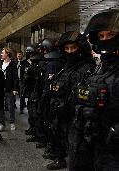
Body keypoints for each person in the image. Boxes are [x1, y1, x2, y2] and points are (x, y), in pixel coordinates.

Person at [72, 9, 119, 171]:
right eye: (101, 36)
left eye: (111, 35)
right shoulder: (100, 68)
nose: (105, 40)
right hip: (94, 143)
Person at [47, 31, 96, 170]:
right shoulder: (66, 67)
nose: (70, 51)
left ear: (80, 48)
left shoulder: (87, 68)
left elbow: (82, 95)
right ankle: (61, 159)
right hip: (63, 114)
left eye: (73, 48)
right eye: (67, 48)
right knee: (64, 142)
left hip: (76, 117)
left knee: (76, 153)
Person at [0, 47, 19, 131]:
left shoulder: (13, 64)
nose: (1, 54)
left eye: (3, 53)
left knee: (10, 106)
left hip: (9, 88)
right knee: (0, 106)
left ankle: (12, 122)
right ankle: (1, 123)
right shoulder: (0, 63)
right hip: (0, 88)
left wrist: (15, 88)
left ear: (7, 54)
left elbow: (15, 78)